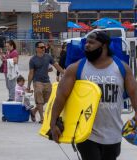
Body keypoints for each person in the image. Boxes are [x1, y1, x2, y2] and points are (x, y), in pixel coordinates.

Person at [50, 31, 137, 160]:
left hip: (113, 133)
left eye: (91, 42)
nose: (87, 45)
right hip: (86, 133)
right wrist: (53, 123)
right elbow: (61, 96)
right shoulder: (76, 68)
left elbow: (134, 94)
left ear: (104, 46)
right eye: (86, 42)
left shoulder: (122, 68)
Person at [27, 41, 64, 123]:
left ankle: (33, 111)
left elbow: (56, 65)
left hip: (46, 81)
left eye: (44, 47)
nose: (43, 48)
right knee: (39, 99)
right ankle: (42, 118)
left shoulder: (48, 57)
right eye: (41, 47)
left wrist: (64, 73)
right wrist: (28, 85)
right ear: (37, 49)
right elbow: (31, 73)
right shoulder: (33, 60)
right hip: (37, 81)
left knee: (48, 99)